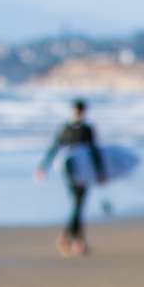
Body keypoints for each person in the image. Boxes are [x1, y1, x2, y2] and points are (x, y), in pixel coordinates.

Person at [35, 100, 106, 255]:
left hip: (85, 171)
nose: (79, 113)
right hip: (70, 171)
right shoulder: (67, 129)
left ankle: (75, 240)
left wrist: (100, 171)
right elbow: (55, 148)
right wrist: (43, 166)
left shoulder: (86, 129)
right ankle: (73, 239)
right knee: (78, 205)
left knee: (78, 205)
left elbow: (94, 151)